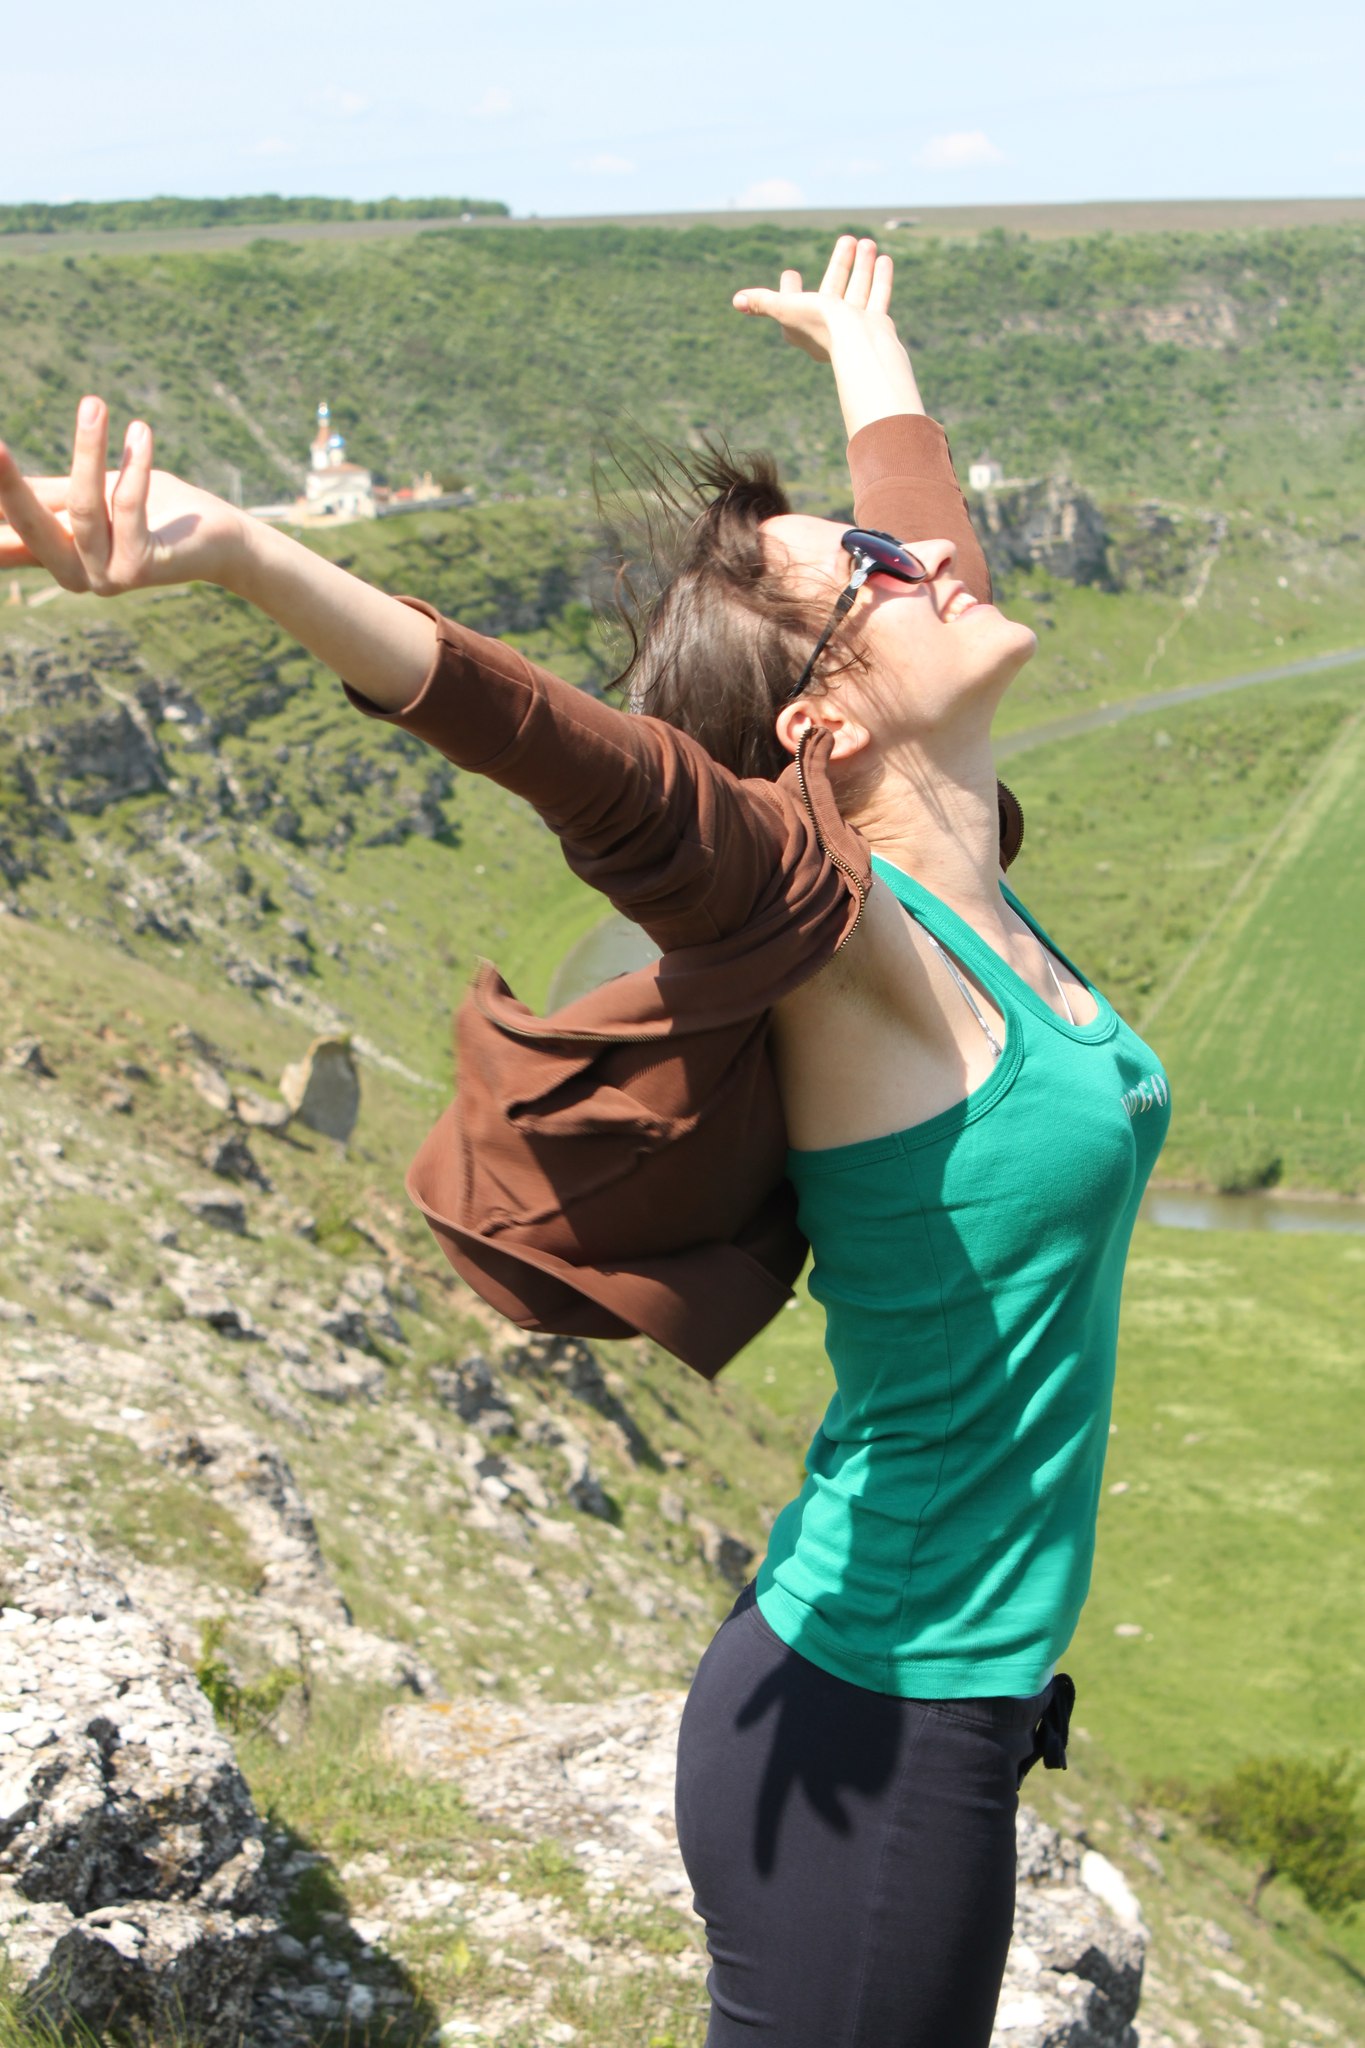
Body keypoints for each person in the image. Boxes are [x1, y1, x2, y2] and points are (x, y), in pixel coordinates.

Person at [0, 237, 1170, 2046]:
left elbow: (932, 555)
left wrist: (867, 355)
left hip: (928, 1688)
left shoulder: (969, 867)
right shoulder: (840, 930)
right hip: (875, 1721)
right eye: (873, 572)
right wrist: (242, 553)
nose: (929, 560)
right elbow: (577, 758)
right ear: (820, 724)